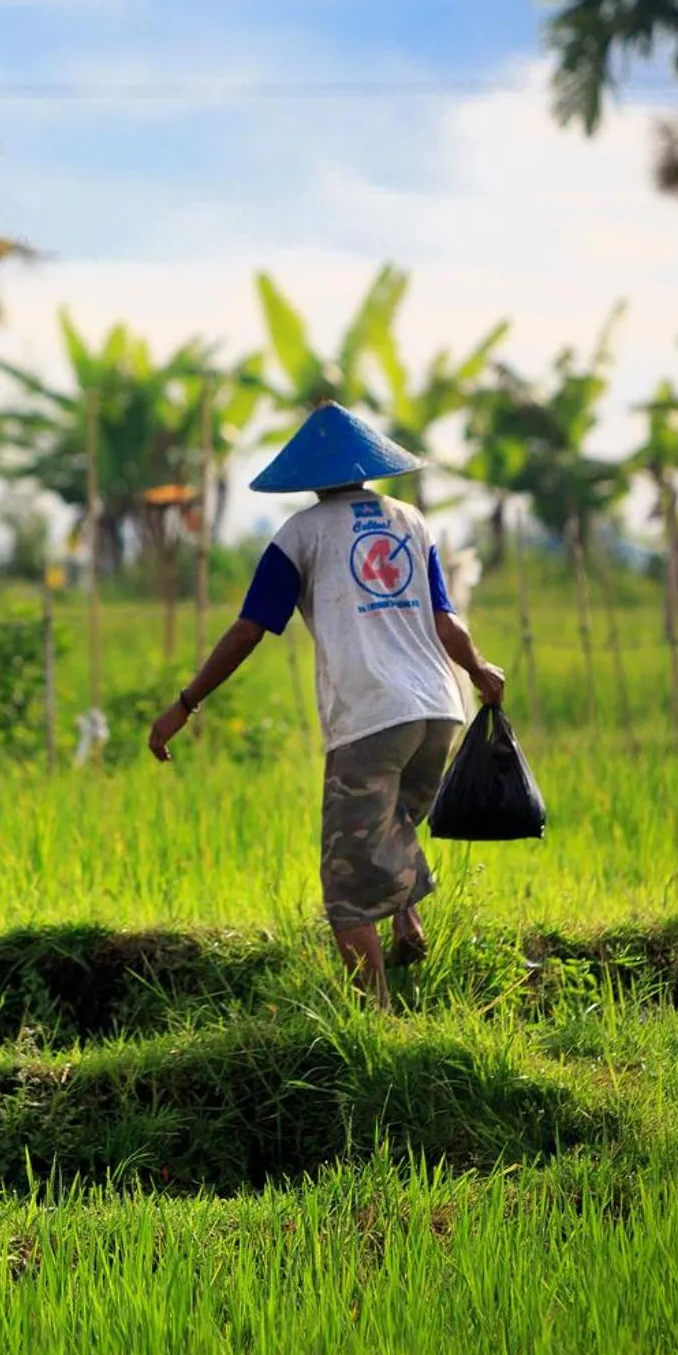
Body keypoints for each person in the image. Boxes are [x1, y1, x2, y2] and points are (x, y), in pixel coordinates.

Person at [146, 403, 506, 1010]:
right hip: (441, 711)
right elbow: (446, 620)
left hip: (371, 717)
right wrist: (479, 669)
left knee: (345, 889)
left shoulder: (301, 534)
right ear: (368, 466)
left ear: (309, 475)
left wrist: (186, 703)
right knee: (388, 824)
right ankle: (406, 920)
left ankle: (375, 1019)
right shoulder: (410, 521)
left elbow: (249, 629)